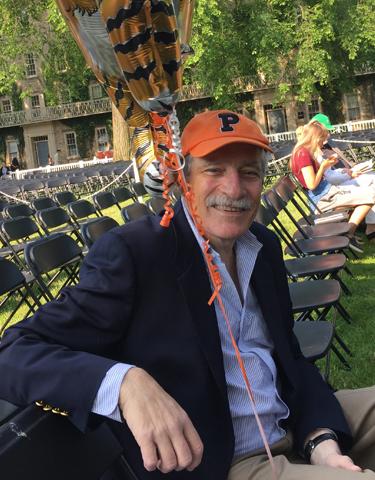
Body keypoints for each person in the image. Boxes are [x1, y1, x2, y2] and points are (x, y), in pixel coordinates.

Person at [0, 110, 375, 480]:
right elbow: (12, 353)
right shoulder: (136, 253)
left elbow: (289, 358)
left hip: (293, 420)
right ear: (183, 179)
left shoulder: (263, 245)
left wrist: (320, 437)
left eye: (248, 172)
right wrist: (125, 384)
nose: (233, 189)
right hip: (229, 458)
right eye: (214, 170)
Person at [290, 120, 375, 253]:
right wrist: (323, 167)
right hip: (322, 199)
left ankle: (349, 233)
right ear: (316, 137)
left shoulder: (304, 151)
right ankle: (349, 234)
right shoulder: (302, 154)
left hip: (328, 193)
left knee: (370, 192)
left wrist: (326, 165)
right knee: (370, 195)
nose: (322, 143)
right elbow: (311, 185)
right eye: (322, 139)